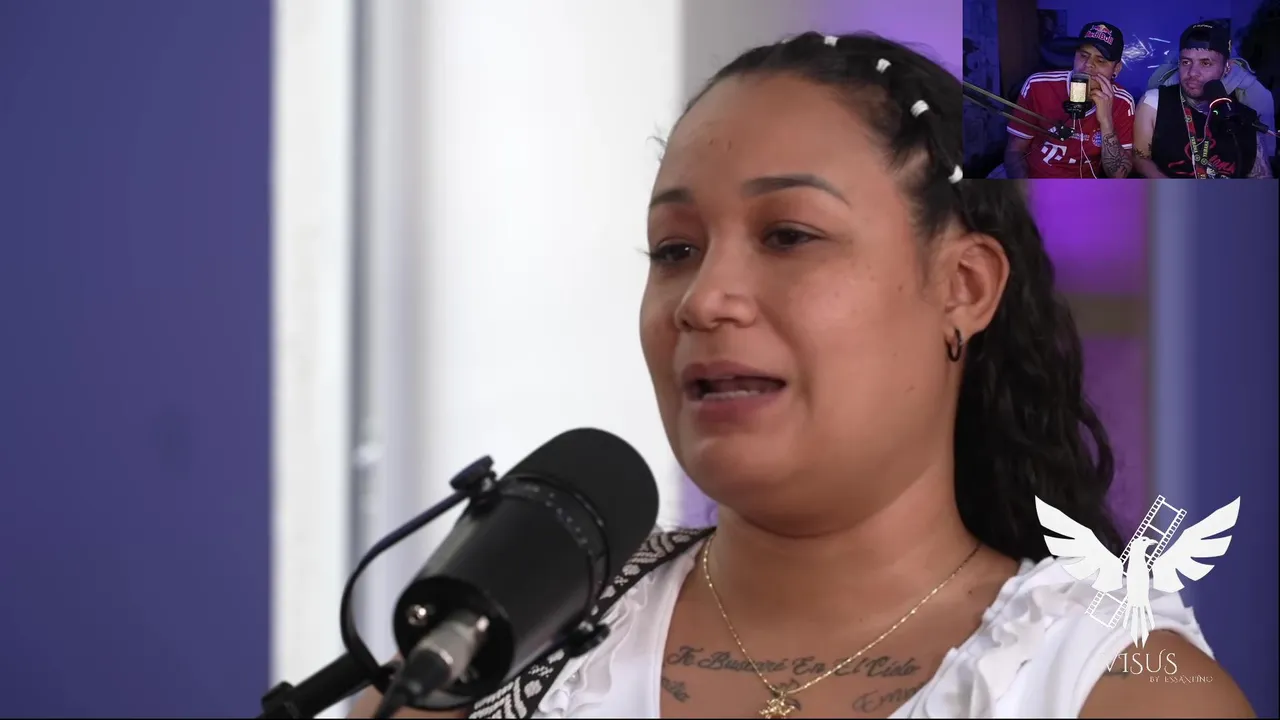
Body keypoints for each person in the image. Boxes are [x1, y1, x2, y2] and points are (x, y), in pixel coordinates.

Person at [352, 32, 1255, 719]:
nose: (704, 301)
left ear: (964, 287)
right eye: (674, 250)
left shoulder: (1112, 688)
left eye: (788, 235)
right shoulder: (487, 653)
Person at [1135, 22, 1273, 178]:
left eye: (1206, 63)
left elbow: (1262, 179)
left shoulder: (1247, 117)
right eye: (1186, 62)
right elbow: (1140, 159)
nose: (1193, 73)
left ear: (1227, 67)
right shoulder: (1155, 102)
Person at [1004, 22, 1136, 179]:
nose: (1088, 65)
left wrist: (1106, 121)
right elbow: (1015, 151)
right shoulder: (1038, 85)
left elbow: (1118, 175)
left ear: (1116, 69)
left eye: (1100, 61)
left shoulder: (1123, 102)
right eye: (1083, 55)